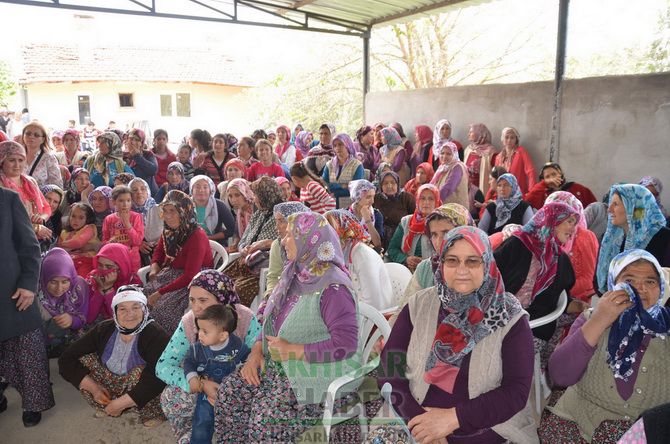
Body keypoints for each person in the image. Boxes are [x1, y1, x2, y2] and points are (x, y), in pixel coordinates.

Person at [376, 226, 537, 444]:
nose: (462, 269)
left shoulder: (510, 318)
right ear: (441, 264)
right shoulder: (419, 305)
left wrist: (453, 419)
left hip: (487, 427)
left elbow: (515, 392)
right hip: (412, 417)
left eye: (472, 261)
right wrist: (421, 423)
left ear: (488, 263)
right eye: (452, 260)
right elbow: (389, 370)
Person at [214, 211, 360, 442]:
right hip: (279, 364)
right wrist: (255, 351)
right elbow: (268, 320)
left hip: (316, 374)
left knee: (266, 420)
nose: (283, 240)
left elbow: (347, 345)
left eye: (291, 235)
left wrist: (294, 350)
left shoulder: (334, 289)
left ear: (310, 240)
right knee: (230, 393)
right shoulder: (294, 273)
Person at [539, 250, 670, 443]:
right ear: (613, 285)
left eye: (650, 281)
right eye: (630, 280)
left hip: (645, 435)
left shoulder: (666, 329)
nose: (640, 288)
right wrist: (600, 320)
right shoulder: (592, 318)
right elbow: (560, 376)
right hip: (577, 424)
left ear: (660, 288)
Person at [156, 269, 261, 444]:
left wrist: (231, 387)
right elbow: (163, 366)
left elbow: (256, 356)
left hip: (237, 384)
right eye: (192, 300)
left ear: (222, 299)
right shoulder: (189, 323)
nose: (196, 307)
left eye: (203, 300)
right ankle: (189, 436)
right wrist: (201, 384)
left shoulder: (245, 318)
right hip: (204, 382)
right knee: (171, 397)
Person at [494, 202, 588, 366]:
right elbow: (488, 276)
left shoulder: (560, 259)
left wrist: (581, 307)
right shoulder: (517, 244)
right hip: (496, 318)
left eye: (575, 223)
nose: (573, 229)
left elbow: (557, 299)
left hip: (533, 325)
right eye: (569, 222)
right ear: (552, 220)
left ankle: (545, 369)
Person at [58, 288, 169, 427]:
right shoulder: (104, 329)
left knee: (145, 372)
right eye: (122, 309)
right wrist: (94, 389)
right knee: (83, 359)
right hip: (114, 381)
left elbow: (158, 376)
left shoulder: (155, 334)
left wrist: (122, 403)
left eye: (136, 307)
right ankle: (107, 402)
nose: (130, 314)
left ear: (145, 310)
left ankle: (152, 412)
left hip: (143, 385)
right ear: (115, 312)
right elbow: (66, 358)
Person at [0, 186, 55, 427]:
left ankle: (33, 404)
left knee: (27, 352)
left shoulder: (8, 199)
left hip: (14, 293)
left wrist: (28, 285)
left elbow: (30, 247)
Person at [144, 190, 214, 334]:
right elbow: (159, 251)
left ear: (184, 211)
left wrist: (159, 293)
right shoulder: (169, 231)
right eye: (165, 211)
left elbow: (190, 275)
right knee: (142, 297)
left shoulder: (196, 235)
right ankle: (144, 338)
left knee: (163, 308)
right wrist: (154, 267)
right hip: (173, 274)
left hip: (194, 280)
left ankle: (166, 344)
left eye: (173, 211)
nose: (168, 216)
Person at [185, 304, 250, 444]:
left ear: (223, 335)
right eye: (199, 329)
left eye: (205, 331)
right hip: (207, 395)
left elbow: (248, 360)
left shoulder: (237, 346)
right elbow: (189, 362)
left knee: (235, 423)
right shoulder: (197, 349)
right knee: (202, 422)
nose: (199, 334)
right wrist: (192, 378)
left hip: (231, 393)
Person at [596, 184, 670, 293]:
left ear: (634, 207)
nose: (609, 210)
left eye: (615, 204)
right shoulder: (609, 239)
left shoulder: (664, 238)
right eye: (610, 204)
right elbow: (598, 280)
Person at [222, 177, 283, 306]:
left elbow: (281, 243)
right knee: (220, 282)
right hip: (244, 262)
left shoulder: (281, 215)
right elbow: (244, 240)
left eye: (256, 195)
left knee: (236, 290)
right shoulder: (258, 214)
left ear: (265, 196)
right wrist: (243, 248)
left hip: (260, 268)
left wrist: (263, 244)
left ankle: (236, 321)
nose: (254, 198)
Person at [399, 203, 474, 308]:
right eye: (434, 234)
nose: (439, 242)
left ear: (465, 233)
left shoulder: (478, 268)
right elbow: (405, 310)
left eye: (446, 233)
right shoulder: (425, 268)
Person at [325, 209, 394, 310]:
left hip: (376, 318)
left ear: (344, 231)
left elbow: (373, 303)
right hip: (358, 314)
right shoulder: (343, 254)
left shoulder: (362, 255)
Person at [546, 191, 599, 303]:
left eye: (568, 218)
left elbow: (587, 280)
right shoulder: (544, 236)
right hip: (547, 299)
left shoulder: (585, 237)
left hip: (575, 301)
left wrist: (555, 296)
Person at [37, 247, 89, 355]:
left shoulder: (79, 287)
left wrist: (72, 320)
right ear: (44, 278)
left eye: (65, 281)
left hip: (70, 343)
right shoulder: (34, 292)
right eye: (53, 282)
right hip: (41, 345)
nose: (59, 288)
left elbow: (83, 317)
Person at [0, 140, 53, 243]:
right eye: (12, 160)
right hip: (10, 241)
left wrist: (41, 219)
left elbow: (46, 208)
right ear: (2, 161)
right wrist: (35, 228)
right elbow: (6, 219)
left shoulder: (30, 181)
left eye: (21, 160)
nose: (17, 165)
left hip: (33, 239)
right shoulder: (1, 186)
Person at [262, 202, 310, 305]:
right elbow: (274, 276)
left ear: (296, 222)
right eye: (276, 221)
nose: (277, 227)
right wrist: (270, 294)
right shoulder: (277, 245)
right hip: (282, 294)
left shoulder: (311, 244)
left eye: (282, 221)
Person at [387, 184, 441, 271]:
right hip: (406, 272)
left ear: (437, 201)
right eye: (422, 198)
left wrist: (427, 263)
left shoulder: (442, 224)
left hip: (432, 273)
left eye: (431, 199)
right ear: (417, 200)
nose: (426, 202)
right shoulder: (406, 222)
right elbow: (392, 249)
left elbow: (447, 254)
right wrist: (405, 259)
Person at [86, 243, 140, 323]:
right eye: (100, 265)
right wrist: (100, 289)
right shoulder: (94, 277)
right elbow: (89, 318)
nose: (103, 270)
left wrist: (108, 289)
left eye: (109, 267)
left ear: (122, 267)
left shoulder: (133, 283)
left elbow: (123, 319)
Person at [102, 185, 145, 272]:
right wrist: (109, 243)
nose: (125, 204)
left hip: (132, 260)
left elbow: (138, 241)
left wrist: (127, 223)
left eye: (128, 200)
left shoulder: (136, 217)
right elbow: (104, 241)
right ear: (114, 202)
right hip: (114, 259)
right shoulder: (109, 219)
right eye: (121, 201)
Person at [524, 162, 597, 210]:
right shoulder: (541, 193)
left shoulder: (577, 188)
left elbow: (594, 207)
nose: (552, 179)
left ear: (561, 174)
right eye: (547, 177)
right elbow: (527, 201)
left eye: (554, 174)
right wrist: (544, 183)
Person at [375, 170, 416, 251]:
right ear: (380, 185)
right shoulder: (375, 199)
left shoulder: (407, 198)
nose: (389, 186)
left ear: (397, 184)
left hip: (402, 238)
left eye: (393, 182)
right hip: (380, 239)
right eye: (385, 183)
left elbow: (415, 218)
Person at [189, 175, 235, 246]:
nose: (201, 190)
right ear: (191, 190)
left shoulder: (219, 205)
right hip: (191, 243)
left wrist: (210, 238)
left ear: (210, 190)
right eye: (197, 187)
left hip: (216, 244)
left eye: (205, 187)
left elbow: (231, 229)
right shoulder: (186, 205)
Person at [322, 133, 364, 209]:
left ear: (347, 145)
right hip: (330, 206)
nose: (337, 148)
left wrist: (333, 187)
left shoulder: (357, 165)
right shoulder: (329, 165)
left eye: (340, 144)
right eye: (335, 145)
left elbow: (355, 189)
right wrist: (344, 186)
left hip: (350, 206)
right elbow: (324, 185)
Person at [58, 202, 100, 277]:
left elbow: (79, 242)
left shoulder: (89, 228)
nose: (76, 220)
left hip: (86, 260)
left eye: (81, 218)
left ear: (87, 219)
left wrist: (64, 244)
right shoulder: (64, 232)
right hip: (70, 260)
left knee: (80, 279)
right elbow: (60, 249)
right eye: (73, 216)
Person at [129, 178, 162, 267]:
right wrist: (138, 244)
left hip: (161, 250)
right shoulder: (126, 213)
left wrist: (161, 241)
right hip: (136, 255)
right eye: (134, 190)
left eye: (143, 189)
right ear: (130, 195)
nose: (139, 192)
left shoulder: (160, 209)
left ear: (148, 191)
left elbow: (170, 229)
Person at [494, 127, 537, 194]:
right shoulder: (498, 157)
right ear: (502, 139)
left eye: (512, 138)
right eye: (506, 137)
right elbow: (495, 177)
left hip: (518, 192)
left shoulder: (521, 152)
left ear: (516, 139)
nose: (509, 140)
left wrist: (531, 191)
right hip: (503, 194)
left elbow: (530, 171)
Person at [21, 121, 63, 188]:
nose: (31, 137)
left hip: (41, 197)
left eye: (36, 135)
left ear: (43, 139)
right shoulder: (16, 156)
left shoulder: (49, 158)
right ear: (23, 136)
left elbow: (57, 186)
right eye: (28, 134)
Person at [347, 179, 384, 250]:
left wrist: (368, 220)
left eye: (373, 196)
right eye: (368, 197)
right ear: (357, 197)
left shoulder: (376, 215)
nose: (372, 201)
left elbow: (378, 244)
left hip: (370, 254)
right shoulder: (346, 214)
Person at [431, 141, 469, 207]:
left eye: (448, 154)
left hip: (455, 209)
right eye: (442, 153)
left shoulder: (457, 167)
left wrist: (434, 201)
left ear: (454, 154)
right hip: (444, 206)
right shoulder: (442, 167)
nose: (444, 156)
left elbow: (448, 188)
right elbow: (432, 184)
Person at [463, 123, 496, 196]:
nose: (468, 134)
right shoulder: (469, 149)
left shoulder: (490, 151)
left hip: (482, 188)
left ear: (480, 134)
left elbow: (494, 173)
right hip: (468, 189)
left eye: (471, 132)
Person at [123, 128, 158, 195]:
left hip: (148, 193)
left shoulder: (147, 154)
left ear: (141, 143)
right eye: (131, 139)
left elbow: (153, 170)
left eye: (137, 140)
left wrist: (137, 156)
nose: (133, 142)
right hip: (129, 195)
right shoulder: (123, 156)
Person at [225, 178, 255, 252]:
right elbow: (237, 233)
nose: (233, 200)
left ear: (245, 193)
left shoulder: (256, 209)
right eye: (230, 196)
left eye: (237, 195)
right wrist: (235, 243)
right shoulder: (240, 211)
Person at [40, 184, 65, 252]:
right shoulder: (33, 214)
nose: (51, 204)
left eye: (55, 202)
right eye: (48, 198)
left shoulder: (57, 219)